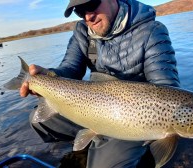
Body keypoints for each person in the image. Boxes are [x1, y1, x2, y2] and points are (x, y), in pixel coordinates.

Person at [20, 0, 180, 167]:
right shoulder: (83, 32)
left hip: (133, 120)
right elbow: (70, 68)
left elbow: (166, 87)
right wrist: (49, 75)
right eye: (80, 11)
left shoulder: (152, 31)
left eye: (91, 5)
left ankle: (124, 147)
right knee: (38, 120)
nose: (88, 16)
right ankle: (94, 138)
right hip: (94, 109)